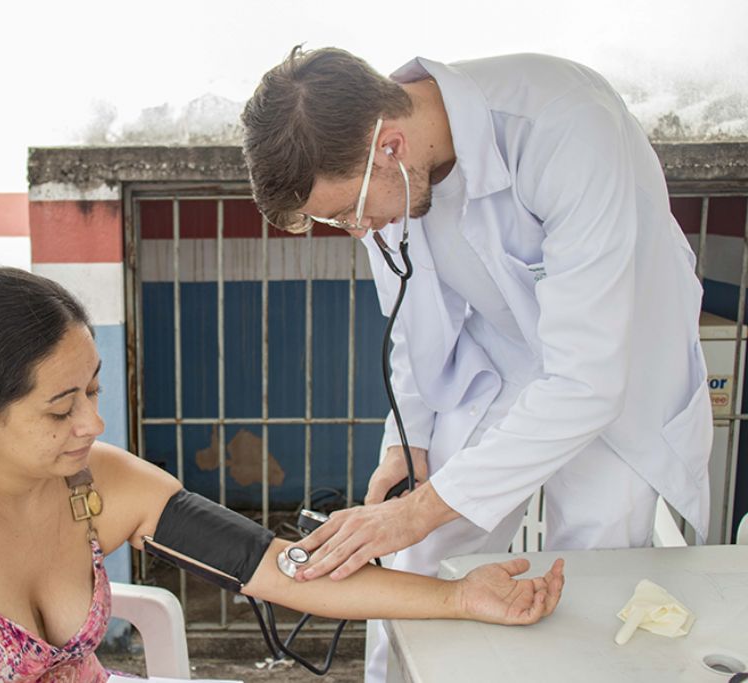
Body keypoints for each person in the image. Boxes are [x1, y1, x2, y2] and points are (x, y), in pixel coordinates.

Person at [0, 267, 564, 682]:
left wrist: (460, 595)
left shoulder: (91, 482)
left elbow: (274, 566)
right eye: (61, 407)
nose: (92, 425)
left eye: (93, 389)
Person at [241, 47, 710, 681]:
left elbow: (587, 379)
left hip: (619, 369)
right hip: (501, 358)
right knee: (415, 558)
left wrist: (415, 510)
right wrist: (407, 445)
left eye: (348, 212)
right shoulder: (386, 176)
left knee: (595, 576)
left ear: (392, 145)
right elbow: (411, 323)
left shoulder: (565, 125)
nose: (355, 232)